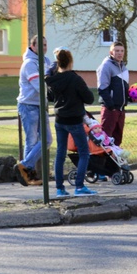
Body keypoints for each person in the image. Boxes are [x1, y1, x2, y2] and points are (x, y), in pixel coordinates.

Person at [45, 49, 97, 197]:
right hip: (74, 119)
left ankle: (60, 188)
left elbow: (49, 97)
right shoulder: (75, 79)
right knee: (84, 152)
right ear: (71, 62)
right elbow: (89, 98)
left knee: (60, 153)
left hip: (60, 119)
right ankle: (79, 186)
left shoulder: (52, 79)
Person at [14, 35, 52, 187]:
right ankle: (28, 174)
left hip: (40, 105)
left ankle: (24, 167)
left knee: (47, 139)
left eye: (45, 44)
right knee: (32, 141)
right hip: (28, 105)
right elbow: (40, 86)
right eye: (40, 45)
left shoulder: (45, 61)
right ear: (33, 46)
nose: (43, 48)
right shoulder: (29, 64)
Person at [97, 41, 129, 147]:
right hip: (110, 109)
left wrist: (130, 98)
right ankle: (104, 163)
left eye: (122, 51)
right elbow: (102, 88)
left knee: (117, 140)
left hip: (121, 109)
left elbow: (123, 89)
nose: (120, 53)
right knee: (105, 140)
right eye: (117, 51)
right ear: (111, 52)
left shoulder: (123, 67)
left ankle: (114, 162)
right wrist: (111, 106)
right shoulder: (106, 66)